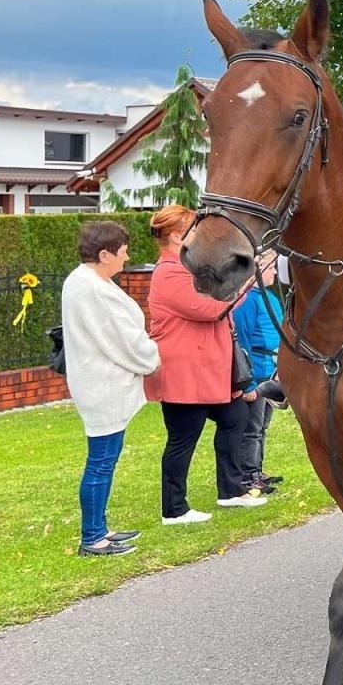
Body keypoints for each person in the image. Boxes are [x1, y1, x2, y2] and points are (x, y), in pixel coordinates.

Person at [144, 204, 263, 523]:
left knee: (235, 418)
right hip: (184, 373)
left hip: (208, 372)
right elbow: (211, 308)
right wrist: (248, 281)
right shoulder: (169, 273)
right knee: (183, 439)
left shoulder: (188, 269)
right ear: (177, 236)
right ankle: (174, 508)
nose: (200, 235)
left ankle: (232, 491)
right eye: (194, 229)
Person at [61, 220, 162, 557]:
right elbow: (119, 338)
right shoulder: (88, 287)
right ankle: (92, 537)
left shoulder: (91, 282)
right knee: (100, 462)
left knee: (105, 459)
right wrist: (152, 357)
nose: (127, 256)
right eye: (122, 251)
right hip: (101, 386)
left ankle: (100, 527)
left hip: (105, 383)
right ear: (104, 254)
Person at [233, 250, 285, 494]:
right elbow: (241, 340)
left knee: (262, 425)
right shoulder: (247, 301)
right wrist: (249, 382)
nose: (275, 272)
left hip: (271, 370)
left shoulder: (269, 298)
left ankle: (257, 469)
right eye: (270, 267)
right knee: (251, 427)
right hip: (258, 370)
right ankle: (248, 474)